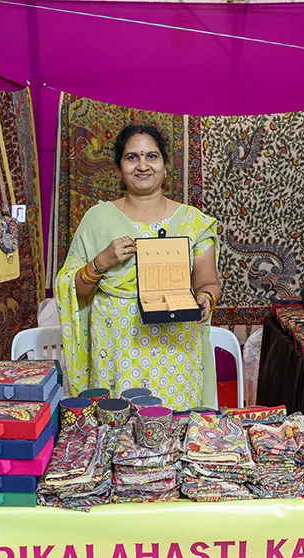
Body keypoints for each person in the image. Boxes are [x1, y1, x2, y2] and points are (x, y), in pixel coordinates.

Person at [55, 123, 221, 410]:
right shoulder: (97, 220)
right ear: (119, 169)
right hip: (116, 349)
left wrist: (206, 298)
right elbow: (73, 292)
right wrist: (101, 262)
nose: (142, 166)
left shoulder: (193, 222)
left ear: (165, 167)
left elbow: (208, 283)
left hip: (176, 351)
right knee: (117, 424)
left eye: (151, 156)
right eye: (132, 157)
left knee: (174, 424)